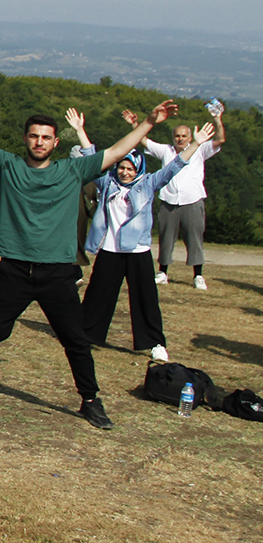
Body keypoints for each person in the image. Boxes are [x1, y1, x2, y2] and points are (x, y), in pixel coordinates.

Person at [0, 84, 174, 430]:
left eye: (46, 137)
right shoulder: (8, 166)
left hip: (57, 274)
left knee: (75, 340)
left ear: (56, 142)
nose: (39, 142)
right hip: (14, 270)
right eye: (34, 136)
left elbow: (119, 150)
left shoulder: (72, 171)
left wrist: (149, 122)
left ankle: (90, 400)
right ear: (26, 139)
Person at [72, 108, 213, 365]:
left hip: (137, 252)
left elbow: (175, 166)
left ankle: (155, 343)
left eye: (129, 168)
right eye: (121, 167)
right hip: (110, 250)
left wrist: (196, 143)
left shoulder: (147, 183)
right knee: (97, 295)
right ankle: (85, 334)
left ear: (138, 168)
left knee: (146, 299)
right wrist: (80, 131)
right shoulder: (108, 184)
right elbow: (92, 162)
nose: (125, 172)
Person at [143, 104, 228, 291]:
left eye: (184, 136)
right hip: (168, 201)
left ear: (190, 137)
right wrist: (138, 123)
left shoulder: (200, 149)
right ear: (173, 138)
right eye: (177, 136)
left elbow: (221, 139)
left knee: (194, 238)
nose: (180, 139)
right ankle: (162, 272)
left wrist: (217, 118)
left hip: (193, 200)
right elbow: (142, 140)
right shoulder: (166, 150)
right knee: (166, 238)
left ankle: (198, 275)